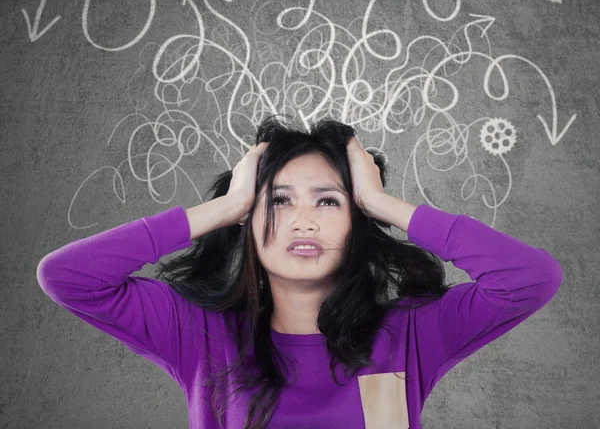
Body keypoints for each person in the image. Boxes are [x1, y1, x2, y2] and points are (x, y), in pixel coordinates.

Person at [37, 114, 563, 429]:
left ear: (358, 221)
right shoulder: (199, 333)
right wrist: (226, 208)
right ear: (249, 216)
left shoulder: (411, 333)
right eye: (280, 201)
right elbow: (67, 277)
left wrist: (382, 201)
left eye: (330, 202)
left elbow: (530, 278)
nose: (304, 220)